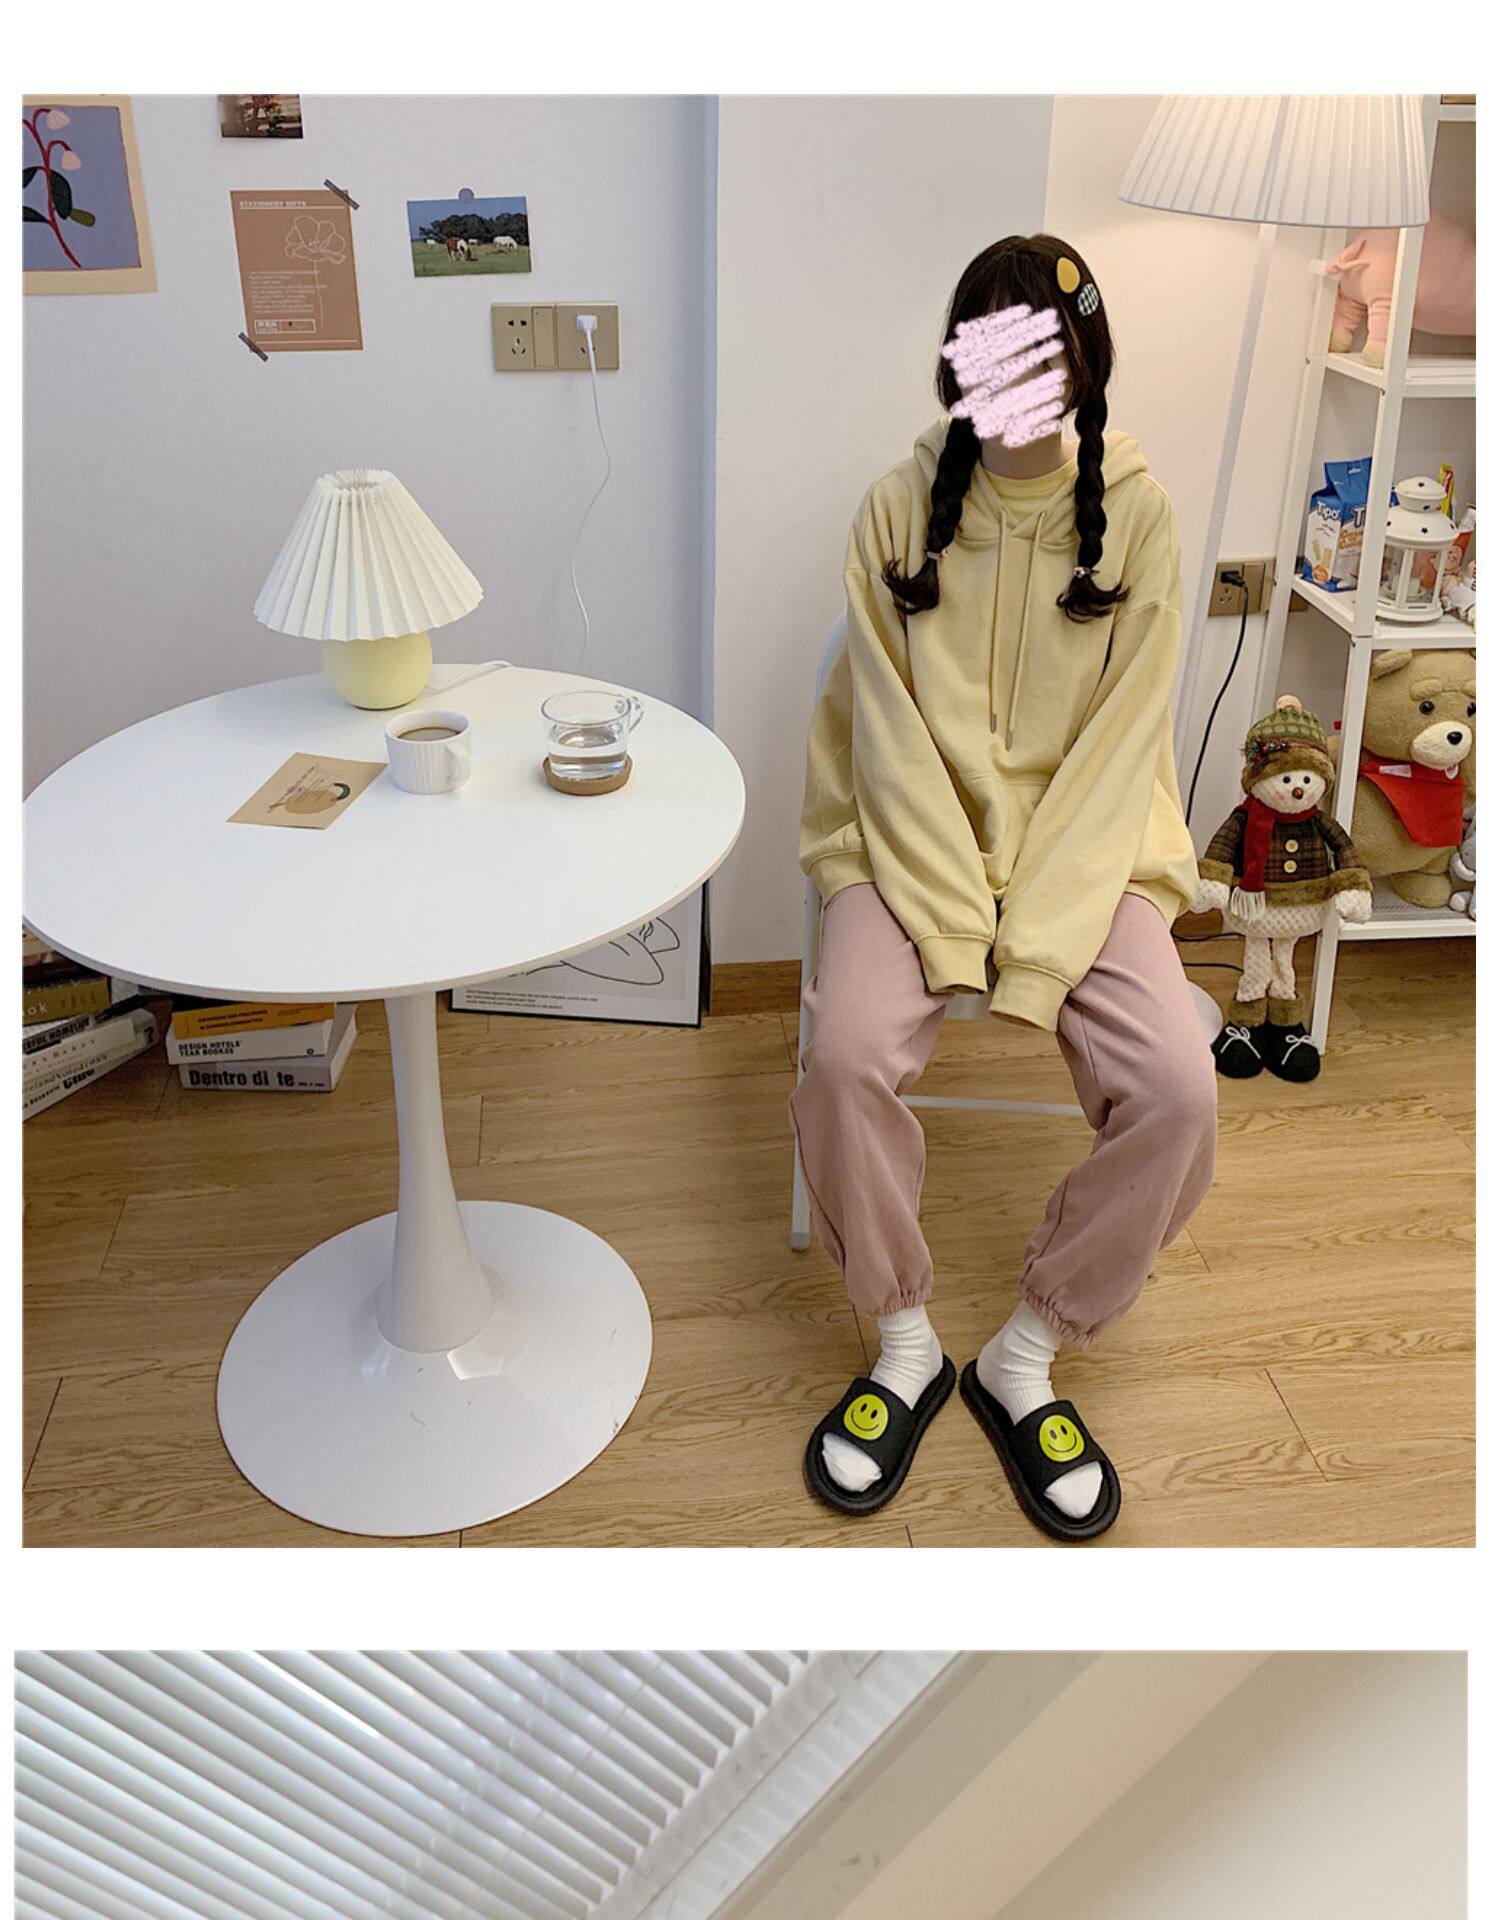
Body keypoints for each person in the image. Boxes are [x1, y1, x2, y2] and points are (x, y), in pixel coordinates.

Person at [791, 234, 1216, 1541]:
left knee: (1180, 1089)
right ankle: (904, 1341)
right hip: (904, 843)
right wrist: (951, 926)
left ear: (1089, 362)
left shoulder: (1138, 517)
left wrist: (1032, 949)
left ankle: (1029, 1351)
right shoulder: (893, 507)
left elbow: (1120, 755)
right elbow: (887, 743)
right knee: (843, 1058)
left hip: (1090, 853)